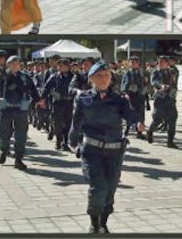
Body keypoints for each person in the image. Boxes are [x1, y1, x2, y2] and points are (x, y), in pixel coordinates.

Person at [69, 61, 143, 234]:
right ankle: (94, 223)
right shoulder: (84, 99)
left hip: (114, 152)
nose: (103, 79)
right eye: (99, 76)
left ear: (111, 78)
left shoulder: (119, 100)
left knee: (110, 189)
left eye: (106, 75)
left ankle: (104, 222)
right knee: (99, 187)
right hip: (92, 151)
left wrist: (138, 122)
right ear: (91, 79)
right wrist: (72, 142)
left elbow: (130, 114)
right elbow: (76, 123)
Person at [0, 55, 43, 170]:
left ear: (20, 65)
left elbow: (33, 89)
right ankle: (4, 150)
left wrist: (39, 100)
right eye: (12, 63)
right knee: (3, 134)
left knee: (21, 136)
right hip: (5, 109)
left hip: (21, 110)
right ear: (8, 65)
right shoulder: (2, 76)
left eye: (17, 63)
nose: (15, 65)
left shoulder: (25, 77)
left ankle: (18, 159)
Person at [41, 58, 75, 151]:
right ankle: (58, 140)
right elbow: (46, 88)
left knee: (68, 123)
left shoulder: (74, 77)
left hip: (70, 103)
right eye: (58, 66)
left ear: (68, 67)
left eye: (62, 66)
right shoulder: (54, 76)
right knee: (57, 123)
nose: (59, 68)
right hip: (58, 103)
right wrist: (42, 99)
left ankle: (65, 142)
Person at [147, 56, 179, 148]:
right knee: (158, 119)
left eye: (163, 62)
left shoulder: (172, 72)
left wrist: (173, 91)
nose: (160, 63)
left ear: (167, 63)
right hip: (160, 99)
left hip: (170, 99)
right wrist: (161, 86)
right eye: (159, 62)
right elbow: (154, 82)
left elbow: (174, 83)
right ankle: (150, 131)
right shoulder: (155, 72)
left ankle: (170, 141)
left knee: (172, 120)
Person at [121, 56, 147, 139]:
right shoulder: (127, 73)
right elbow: (123, 84)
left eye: (134, 62)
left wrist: (145, 90)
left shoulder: (143, 73)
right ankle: (127, 129)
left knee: (141, 114)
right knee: (130, 113)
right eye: (131, 62)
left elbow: (146, 83)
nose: (132, 64)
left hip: (140, 96)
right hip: (130, 96)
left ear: (138, 63)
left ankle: (139, 132)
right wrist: (125, 93)